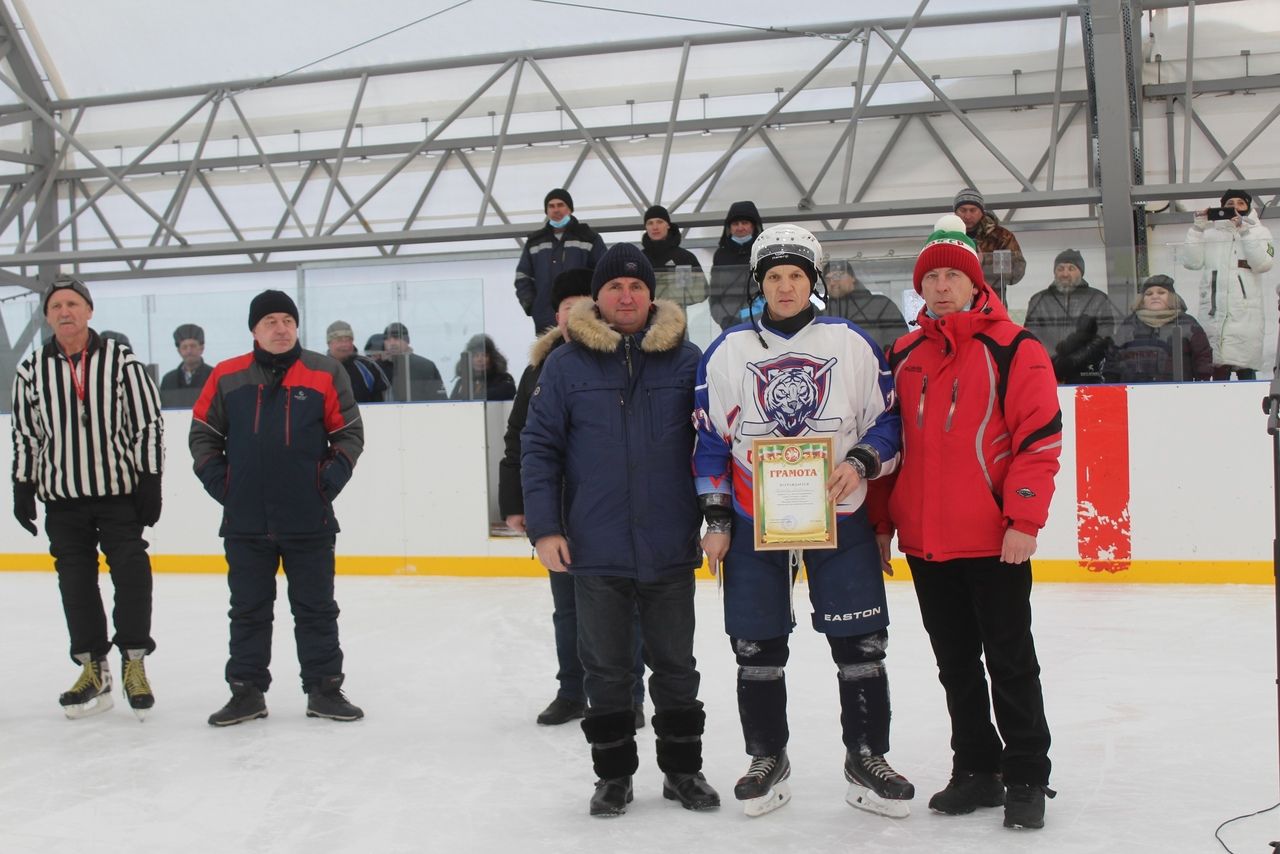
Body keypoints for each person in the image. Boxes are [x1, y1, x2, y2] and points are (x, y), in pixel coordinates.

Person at [692, 225, 910, 819]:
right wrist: (714, 513)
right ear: (759, 284)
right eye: (773, 277)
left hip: (840, 514)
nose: (785, 287)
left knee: (860, 641)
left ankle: (867, 754)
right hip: (752, 515)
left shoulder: (851, 344)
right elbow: (710, 440)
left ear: (813, 282)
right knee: (755, 645)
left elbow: (887, 425)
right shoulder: (728, 350)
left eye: (796, 276)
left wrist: (863, 460)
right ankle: (768, 757)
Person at [521, 243, 720, 817]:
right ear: (598, 298)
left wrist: (715, 518)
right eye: (615, 288)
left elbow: (713, 444)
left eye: (636, 287)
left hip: (668, 542)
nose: (626, 296)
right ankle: (613, 777)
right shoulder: (564, 363)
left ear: (651, 294)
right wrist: (545, 528)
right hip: (595, 545)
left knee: (677, 668)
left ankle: (683, 772)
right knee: (605, 673)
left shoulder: (687, 360)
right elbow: (539, 450)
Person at [881, 214, 1061, 830]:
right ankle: (978, 769)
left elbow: (1039, 439)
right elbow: (889, 444)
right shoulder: (903, 354)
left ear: (974, 282)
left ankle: (1028, 775)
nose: (939, 286)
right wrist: (884, 523)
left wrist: (1024, 519)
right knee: (955, 663)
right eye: (929, 276)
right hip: (928, 543)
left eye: (951, 275)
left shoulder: (1015, 346)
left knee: (1010, 660)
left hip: (994, 539)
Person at [191, 290, 366, 727]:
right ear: (254, 329)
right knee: (248, 609)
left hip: (309, 516)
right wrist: (225, 486)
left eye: (287, 319)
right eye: (270, 320)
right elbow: (202, 435)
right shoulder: (227, 376)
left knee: (317, 607)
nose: (280, 328)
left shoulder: (325, 372)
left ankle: (324, 689)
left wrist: (325, 483)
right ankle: (246, 692)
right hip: (245, 519)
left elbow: (349, 433)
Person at [498, 268, 647, 729]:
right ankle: (571, 689)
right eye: (565, 307)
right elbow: (521, 441)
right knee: (569, 609)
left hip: (615, 512)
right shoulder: (541, 369)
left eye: (582, 304)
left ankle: (631, 693)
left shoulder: (624, 360)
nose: (573, 314)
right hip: (561, 512)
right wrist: (517, 504)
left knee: (627, 608)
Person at [11, 275, 164, 721]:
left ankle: (134, 662)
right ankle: (92, 668)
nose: (65, 312)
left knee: (132, 573)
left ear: (89, 310)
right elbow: (26, 434)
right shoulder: (31, 369)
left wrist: (150, 478)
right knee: (75, 584)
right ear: (46, 316)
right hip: (63, 500)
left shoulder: (121, 361)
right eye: (56, 305)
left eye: (73, 303)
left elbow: (147, 423)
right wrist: (23, 486)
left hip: (119, 494)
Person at [1181, 188, 1276, 380]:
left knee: (1245, 368)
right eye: (1229, 204)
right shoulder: (1211, 234)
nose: (1235, 207)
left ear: (1248, 207)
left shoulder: (1259, 232)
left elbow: (1263, 264)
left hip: (1246, 313)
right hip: (1214, 311)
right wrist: (1198, 229)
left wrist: (1245, 231)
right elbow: (1192, 263)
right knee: (1216, 368)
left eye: (1240, 203)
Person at [514, 188, 607, 334]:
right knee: (549, 356)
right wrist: (532, 305)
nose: (556, 210)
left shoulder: (589, 238)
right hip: (545, 319)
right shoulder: (534, 242)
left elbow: (603, 274)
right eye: (551, 206)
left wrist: (594, 305)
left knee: (581, 355)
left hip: (583, 316)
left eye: (560, 205)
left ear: (570, 209)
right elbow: (522, 277)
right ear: (547, 211)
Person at [1023, 249, 1118, 384]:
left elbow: (1103, 337)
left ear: (1081, 272)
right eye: (1060, 268)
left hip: (1088, 375)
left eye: (1071, 268)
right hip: (1048, 373)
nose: (1065, 273)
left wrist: (1073, 361)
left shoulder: (1098, 298)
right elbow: (1032, 336)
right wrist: (1055, 361)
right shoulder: (1039, 299)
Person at [1105, 275, 1213, 383]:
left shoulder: (1187, 323)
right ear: (1142, 299)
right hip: (1135, 392)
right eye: (1149, 293)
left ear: (1171, 296)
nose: (1154, 296)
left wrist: (1201, 385)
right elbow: (1113, 358)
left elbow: (1203, 358)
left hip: (1177, 391)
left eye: (1161, 292)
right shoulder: (1130, 324)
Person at [821, 259, 909, 354]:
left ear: (853, 278)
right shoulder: (822, 315)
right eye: (827, 279)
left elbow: (899, 345)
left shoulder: (880, 304)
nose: (832, 283)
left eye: (837, 276)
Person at [953, 188, 1026, 292]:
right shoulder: (946, 237)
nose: (968, 216)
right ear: (955, 212)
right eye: (963, 210)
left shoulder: (1002, 236)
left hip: (991, 301)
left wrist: (985, 262)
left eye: (973, 210)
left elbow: (1017, 271)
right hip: (954, 300)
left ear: (982, 212)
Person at [709, 200, 763, 331]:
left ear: (753, 226)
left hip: (761, 320)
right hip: (729, 322)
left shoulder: (762, 250)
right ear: (729, 227)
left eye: (745, 223)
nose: (740, 227)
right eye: (735, 223)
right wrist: (722, 318)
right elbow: (714, 292)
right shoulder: (720, 255)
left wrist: (760, 314)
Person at [640, 205, 706, 309]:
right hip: (644, 321)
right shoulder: (639, 258)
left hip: (675, 320)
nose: (655, 227)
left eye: (659, 222)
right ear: (646, 227)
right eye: (650, 223)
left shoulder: (684, 258)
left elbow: (701, 293)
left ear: (668, 225)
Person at [380, 322, 447, 402]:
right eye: (387, 339)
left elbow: (441, 401)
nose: (392, 343)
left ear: (407, 341)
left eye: (396, 338)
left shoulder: (425, 366)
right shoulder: (376, 368)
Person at [326, 320, 389, 403]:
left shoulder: (368, 366)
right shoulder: (320, 368)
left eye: (348, 340)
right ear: (329, 343)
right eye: (339, 340)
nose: (344, 345)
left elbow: (386, 399)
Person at [449, 333, 517, 401]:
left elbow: (507, 391)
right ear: (469, 359)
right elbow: (452, 404)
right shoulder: (462, 382)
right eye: (475, 355)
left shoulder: (503, 379)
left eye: (484, 355)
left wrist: (471, 397)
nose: (479, 359)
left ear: (492, 358)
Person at [160, 323, 214, 408]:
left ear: (201, 348)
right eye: (184, 347)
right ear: (179, 351)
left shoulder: (213, 376)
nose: (189, 351)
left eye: (193, 346)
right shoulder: (168, 380)